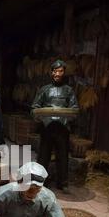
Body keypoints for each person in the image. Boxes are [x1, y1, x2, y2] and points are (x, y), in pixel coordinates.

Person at [31, 59, 79, 193]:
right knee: (43, 156)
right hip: (47, 128)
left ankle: (63, 183)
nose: (57, 74)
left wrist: (66, 119)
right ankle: (40, 181)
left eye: (60, 71)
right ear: (51, 72)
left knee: (63, 156)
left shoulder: (69, 91)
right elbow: (35, 107)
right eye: (55, 71)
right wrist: (42, 118)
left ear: (64, 73)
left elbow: (74, 109)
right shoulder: (44, 90)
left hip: (62, 129)